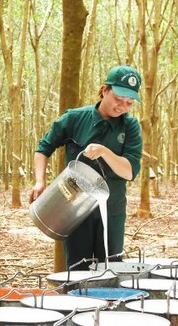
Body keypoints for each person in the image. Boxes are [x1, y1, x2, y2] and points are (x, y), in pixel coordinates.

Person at [30, 65, 143, 270]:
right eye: (118, 99)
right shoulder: (74, 118)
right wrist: (40, 181)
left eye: (129, 103)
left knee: (110, 270)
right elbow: (43, 149)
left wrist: (105, 152)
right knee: (77, 271)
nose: (122, 107)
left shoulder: (130, 126)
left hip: (112, 210)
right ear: (105, 90)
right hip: (72, 209)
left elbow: (129, 171)